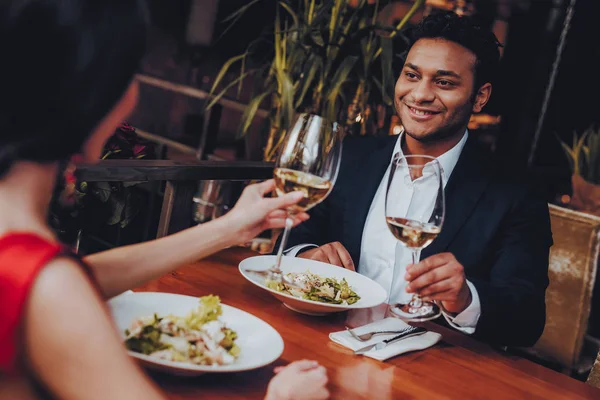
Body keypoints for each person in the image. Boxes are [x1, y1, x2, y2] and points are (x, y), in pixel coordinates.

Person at [0, 1, 329, 399]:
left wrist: (230, 227)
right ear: (91, 92)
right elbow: (56, 287)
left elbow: (79, 276)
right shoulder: (48, 289)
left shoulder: (33, 263)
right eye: (131, 73)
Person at [283, 11, 552, 347]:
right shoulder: (350, 156)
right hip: (323, 342)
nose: (420, 94)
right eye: (412, 75)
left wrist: (466, 298)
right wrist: (307, 255)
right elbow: (297, 232)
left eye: (444, 82)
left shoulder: (515, 192)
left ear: (480, 96)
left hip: (431, 369)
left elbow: (527, 319)